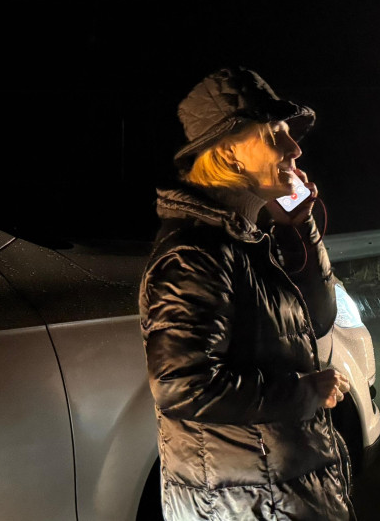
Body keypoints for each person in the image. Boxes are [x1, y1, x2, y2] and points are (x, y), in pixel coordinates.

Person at [139, 67, 355, 520]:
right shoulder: (195, 253)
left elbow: (318, 319)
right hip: (244, 504)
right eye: (275, 133)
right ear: (232, 152)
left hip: (273, 493)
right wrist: (305, 392)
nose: (295, 148)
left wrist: (301, 227)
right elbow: (183, 386)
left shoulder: (249, 240)